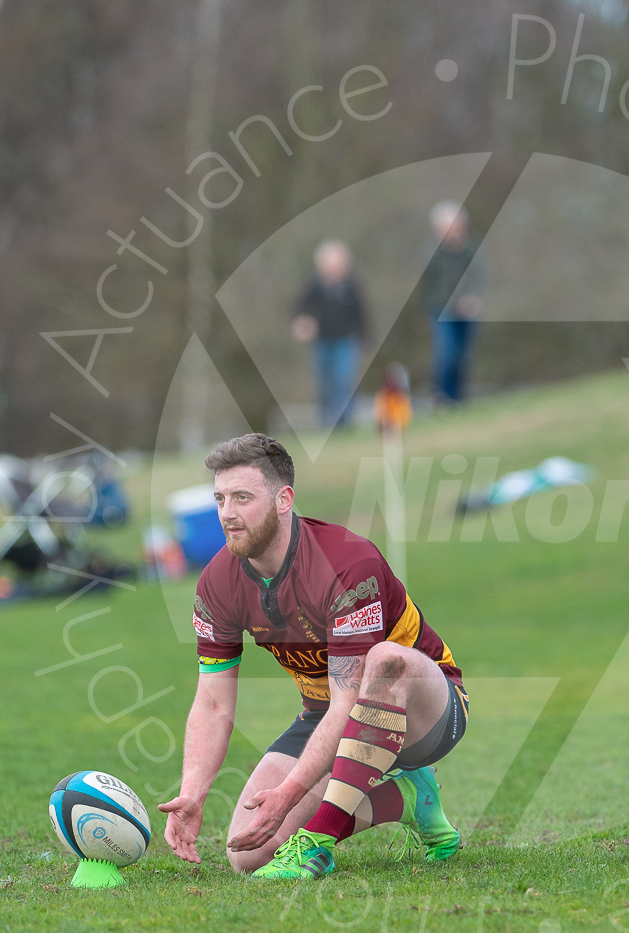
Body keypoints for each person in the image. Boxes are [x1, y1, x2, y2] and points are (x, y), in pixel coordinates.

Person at [157, 433, 468, 879]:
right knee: (246, 853)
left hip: (425, 708)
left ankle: (317, 843)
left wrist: (292, 791)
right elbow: (213, 701)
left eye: (242, 497)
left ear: (284, 500)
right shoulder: (216, 582)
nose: (227, 513)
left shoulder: (346, 563)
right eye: (221, 498)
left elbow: (349, 697)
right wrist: (192, 793)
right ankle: (410, 799)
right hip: (325, 716)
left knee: (384, 659)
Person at [291, 240, 367, 429]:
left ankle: (344, 423)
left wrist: (364, 339)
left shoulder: (352, 285)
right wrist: (302, 323)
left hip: (346, 341)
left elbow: (361, 315)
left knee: (344, 379)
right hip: (321, 343)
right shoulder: (313, 286)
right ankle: (325, 422)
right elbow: (300, 310)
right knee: (324, 384)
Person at [425, 201, 483, 404]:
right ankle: (443, 397)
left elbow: (478, 276)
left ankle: (460, 398)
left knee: (463, 355)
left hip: (468, 311)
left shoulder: (471, 249)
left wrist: (472, 298)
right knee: (446, 352)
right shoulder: (431, 253)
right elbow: (427, 285)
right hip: (442, 310)